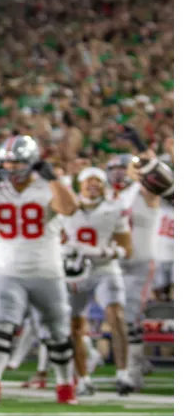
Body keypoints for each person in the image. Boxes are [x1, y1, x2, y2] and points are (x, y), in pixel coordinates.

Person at [0, 135, 79, 405]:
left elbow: (69, 208)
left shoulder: (49, 186)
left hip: (46, 270)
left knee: (58, 332)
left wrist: (54, 180)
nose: (11, 169)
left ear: (33, 163)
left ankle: (64, 384)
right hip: (5, 270)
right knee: (0, 325)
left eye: (18, 163)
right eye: (7, 164)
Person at [61, 168, 134, 396]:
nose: (93, 184)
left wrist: (109, 252)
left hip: (104, 269)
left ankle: (123, 374)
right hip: (74, 273)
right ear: (79, 184)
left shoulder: (114, 209)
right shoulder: (66, 209)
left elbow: (127, 248)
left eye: (98, 181)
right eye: (89, 180)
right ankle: (83, 379)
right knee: (74, 327)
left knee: (116, 316)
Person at [108, 155, 161, 387]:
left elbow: (156, 185)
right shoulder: (111, 197)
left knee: (129, 317)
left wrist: (139, 168)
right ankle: (134, 364)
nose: (120, 173)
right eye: (115, 169)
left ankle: (132, 372)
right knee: (115, 318)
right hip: (115, 263)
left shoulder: (145, 192)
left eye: (124, 169)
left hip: (140, 260)